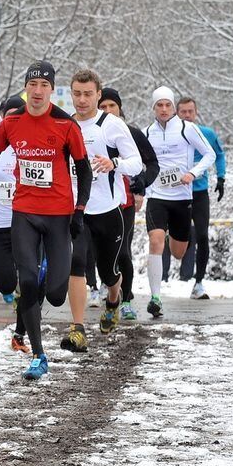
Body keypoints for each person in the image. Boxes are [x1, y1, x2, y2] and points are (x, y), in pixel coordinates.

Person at [0, 60, 91, 380]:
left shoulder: (66, 124)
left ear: (52, 91)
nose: (37, 91)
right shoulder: (12, 122)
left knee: (56, 294)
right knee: (26, 282)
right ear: (25, 89)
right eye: (32, 85)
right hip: (24, 212)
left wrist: (79, 210)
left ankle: (36, 299)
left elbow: (84, 170)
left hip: (58, 215)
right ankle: (38, 356)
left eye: (44, 86)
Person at [62, 70, 142, 351]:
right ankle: (78, 328)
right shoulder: (64, 124)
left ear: (98, 94)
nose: (82, 100)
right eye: (77, 94)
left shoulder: (111, 125)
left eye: (87, 94)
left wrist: (114, 163)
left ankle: (113, 298)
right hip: (76, 211)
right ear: (70, 94)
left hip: (108, 211)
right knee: (77, 263)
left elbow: (137, 163)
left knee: (109, 272)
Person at [142, 86, 215, 318]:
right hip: (156, 197)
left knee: (178, 252)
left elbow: (210, 154)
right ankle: (155, 298)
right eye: (159, 105)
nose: (163, 109)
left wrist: (193, 173)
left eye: (167, 105)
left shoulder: (187, 128)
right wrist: (138, 185)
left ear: (173, 107)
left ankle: (178, 247)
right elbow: (135, 161)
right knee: (155, 240)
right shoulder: (146, 133)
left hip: (182, 198)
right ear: (153, 107)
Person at [98, 88, 159, 320]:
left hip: (124, 203)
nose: (107, 111)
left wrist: (142, 184)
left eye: (112, 106)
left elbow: (152, 163)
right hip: (97, 203)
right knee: (100, 253)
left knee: (122, 252)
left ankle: (126, 299)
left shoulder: (130, 133)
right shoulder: (89, 131)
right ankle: (108, 287)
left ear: (120, 108)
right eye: (103, 107)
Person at [173, 97, 226, 299]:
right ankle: (162, 283)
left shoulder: (207, 134)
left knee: (202, 235)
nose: (187, 115)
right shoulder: (172, 135)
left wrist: (221, 178)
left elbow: (219, 155)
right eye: (183, 112)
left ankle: (199, 283)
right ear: (177, 114)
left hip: (199, 193)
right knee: (177, 239)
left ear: (196, 112)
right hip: (176, 195)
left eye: (190, 111)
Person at [0, 94, 30, 352]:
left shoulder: (31, 144)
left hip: (26, 220)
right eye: (9, 115)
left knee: (29, 278)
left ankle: (22, 329)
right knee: (4, 282)